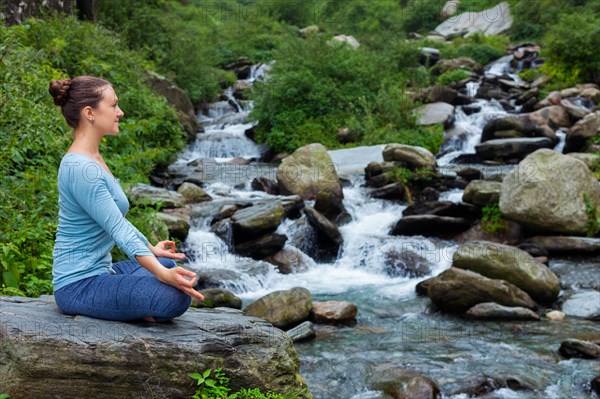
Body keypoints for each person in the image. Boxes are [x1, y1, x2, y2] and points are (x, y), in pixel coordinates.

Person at [48, 75, 204, 323]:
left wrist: (151, 250)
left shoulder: (93, 159)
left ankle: (135, 304)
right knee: (175, 297)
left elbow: (112, 219)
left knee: (165, 263)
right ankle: (138, 307)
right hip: (78, 286)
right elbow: (118, 228)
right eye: (113, 105)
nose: (119, 112)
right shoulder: (80, 168)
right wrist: (161, 275)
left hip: (103, 272)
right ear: (90, 112)